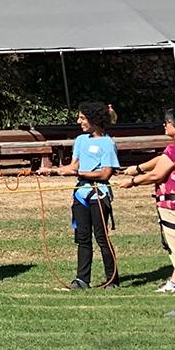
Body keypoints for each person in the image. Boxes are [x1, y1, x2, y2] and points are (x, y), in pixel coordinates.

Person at [124, 108, 175, 317]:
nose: (164, 125)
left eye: (167, 122)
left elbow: (157, 175)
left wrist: (132, 182)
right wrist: (138, 168)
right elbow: (160, 161)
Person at [36, 102, 119, 290]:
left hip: (99, 194)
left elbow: (106, 174)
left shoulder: (107, 143)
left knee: (101, 237)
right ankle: (82, 280)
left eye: (82, 118)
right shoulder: (81, 140)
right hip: (80, 194)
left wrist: (79, 174)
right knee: (82, 238)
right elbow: (73, 167)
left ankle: (112, 279)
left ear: (94, 119)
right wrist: (53, 171)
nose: (78, 121)